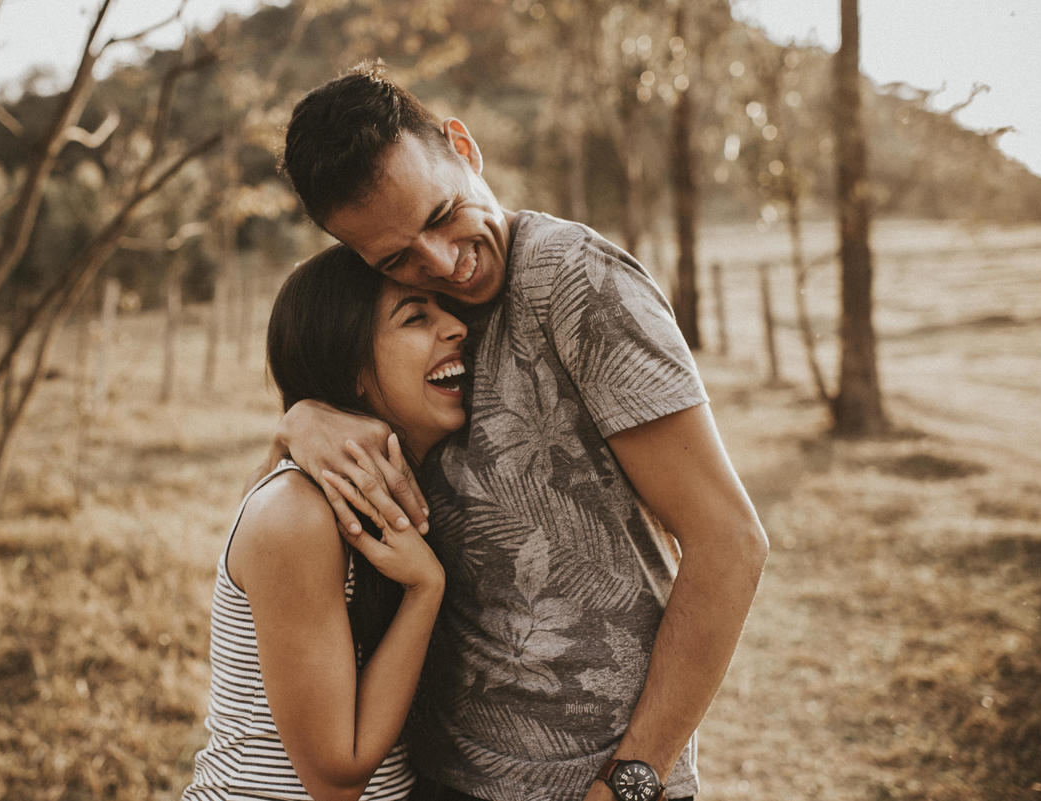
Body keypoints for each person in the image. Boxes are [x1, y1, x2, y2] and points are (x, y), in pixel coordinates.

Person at [267, 64, 770, 801]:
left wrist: (632, 779)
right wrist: (298, 418)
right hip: (439, 774)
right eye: (397, 257)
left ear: (464, 147)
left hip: (595, 778)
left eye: (442, 215)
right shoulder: (394, 315)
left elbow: (730, 541)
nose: (442, 263)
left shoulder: (574, 280)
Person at [182, 244, 471, 801]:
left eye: (446, 308)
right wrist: (424, 589)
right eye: (416, 317)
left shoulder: (392, 487)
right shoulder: (299, 513)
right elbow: (337, 779)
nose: (457, 327)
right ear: (352, 368)